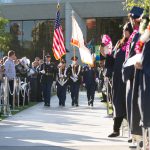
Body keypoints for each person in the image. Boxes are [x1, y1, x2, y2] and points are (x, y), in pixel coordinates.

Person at [122, 6, 144, 143]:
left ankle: (140, 137)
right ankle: (138, 136)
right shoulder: (136, 35)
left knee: (136, 107)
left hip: (137, 75)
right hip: (135, 74)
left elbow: (133, 57)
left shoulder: (138, 35)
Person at [108, 22, 133, 137]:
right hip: (117, 78)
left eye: (126, 29)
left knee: (127, 102)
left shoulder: (134, 43)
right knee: (117, 101)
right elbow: (112, 57)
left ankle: (133, 133)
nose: (124, 31)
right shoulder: (119, 43)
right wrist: (106, 54)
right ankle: (116, 129)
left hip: (128, 77)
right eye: (123, 29)